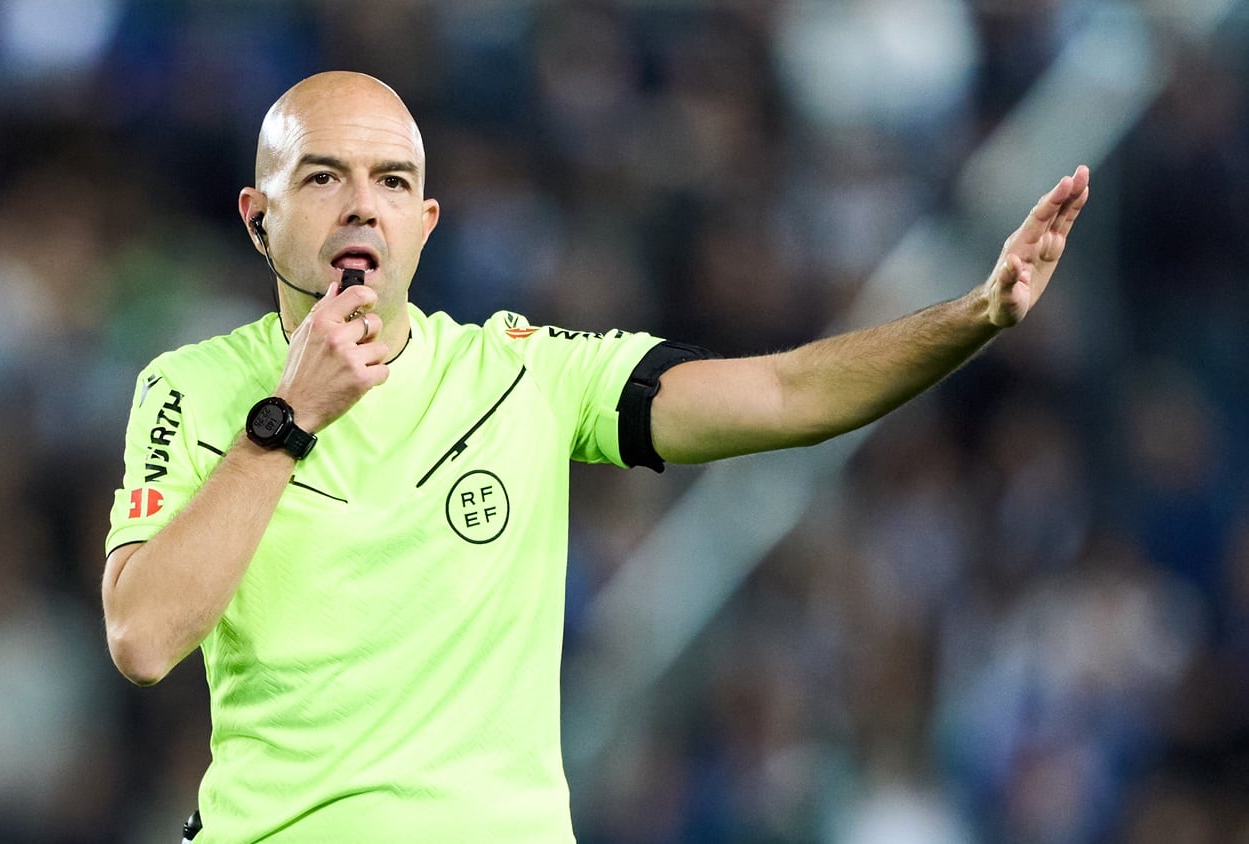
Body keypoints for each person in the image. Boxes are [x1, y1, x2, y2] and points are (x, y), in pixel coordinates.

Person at [102, 71, 1089, 843]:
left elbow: (788, 392)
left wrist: (976, 314)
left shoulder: (524, 375)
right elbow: (142, 639)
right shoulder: (192, 388)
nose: (363, 205)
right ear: (256, 214)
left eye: (393, 182)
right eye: (323, 176)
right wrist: (289, 414)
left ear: (424, 223)